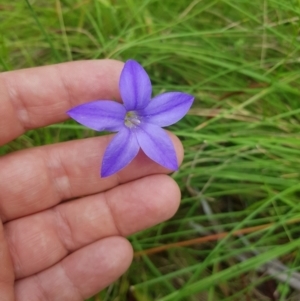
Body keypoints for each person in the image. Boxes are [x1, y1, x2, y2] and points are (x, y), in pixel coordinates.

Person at [0, 60, 183, 300]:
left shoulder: (143, 124)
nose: (133, 120)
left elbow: (178, 104)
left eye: (133, 118)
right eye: (130, 118)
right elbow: (93, 112)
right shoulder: (121, 116)